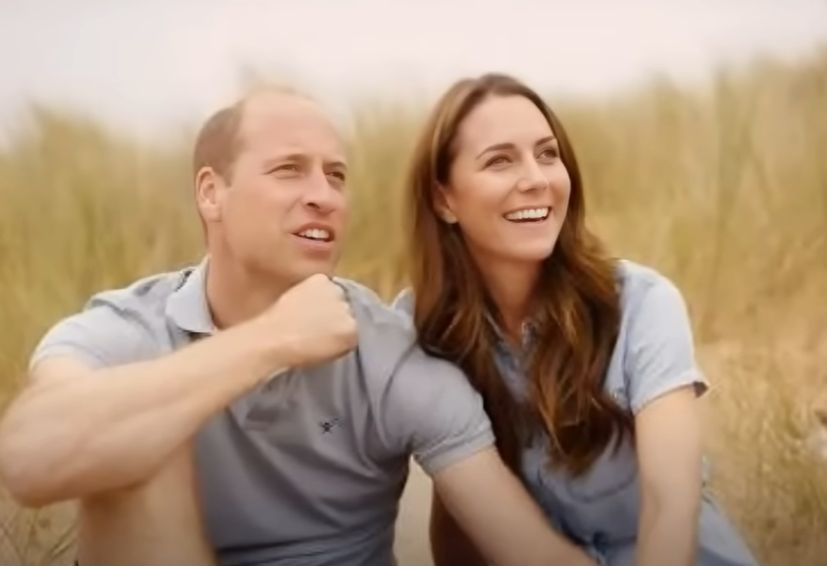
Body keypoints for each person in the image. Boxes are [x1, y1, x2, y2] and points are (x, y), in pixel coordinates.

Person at [0, 87, 603, 566]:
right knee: (131, 435)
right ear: (211, 193)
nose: (325, 196)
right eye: (290, 169)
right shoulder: (130, 328)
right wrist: (271, 341)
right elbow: (26, 460)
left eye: (336, 175)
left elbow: (524, 547)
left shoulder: (389, 352)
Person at [393, 73, 762, 566]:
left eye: (548, 154)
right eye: (500, 160)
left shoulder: (641, 304)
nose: (536, 179)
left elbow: (670, 507)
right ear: (443, 199)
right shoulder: (423, 331)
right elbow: (463, 517)